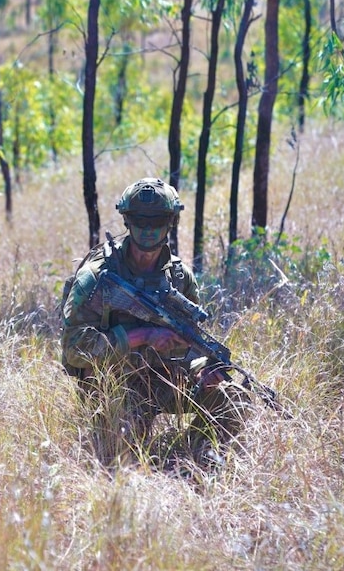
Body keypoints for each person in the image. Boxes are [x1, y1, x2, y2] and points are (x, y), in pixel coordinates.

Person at [60, 177, 251, 470]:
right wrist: (142, 335)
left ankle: (191, 462)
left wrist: (204, 372)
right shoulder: (97, 277)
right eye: (140, 221)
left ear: (171, 222)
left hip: (165, 379)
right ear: (127, 220)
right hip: (114, 387)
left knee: (232, 396)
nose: (148, 230)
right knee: (121, 458)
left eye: (157, 221)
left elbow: (191, 346)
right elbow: (73, 349)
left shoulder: (179, 278)